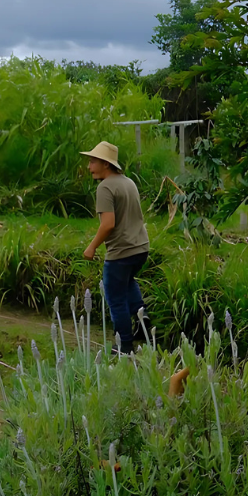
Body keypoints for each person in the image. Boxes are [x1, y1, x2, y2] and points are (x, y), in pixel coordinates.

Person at [80, 141, 150, 352]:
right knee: (127, 282)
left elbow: (108, 224)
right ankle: (141, 315)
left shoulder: (105, 187)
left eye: (93, 162)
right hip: (141, 248)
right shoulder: (128, 182)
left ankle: (124, 346)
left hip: (121, 252)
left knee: (115, 298)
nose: (89, 166)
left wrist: (91, 247)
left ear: (105, 164)